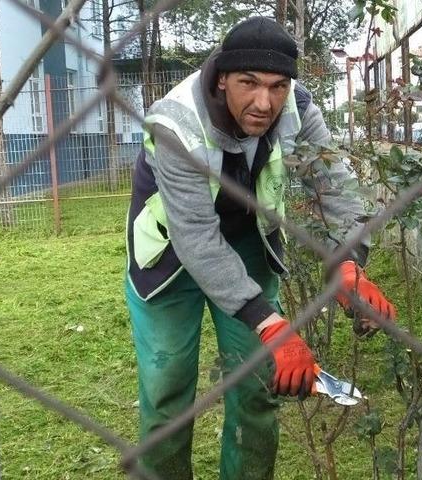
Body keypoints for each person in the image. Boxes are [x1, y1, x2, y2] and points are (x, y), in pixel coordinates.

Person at [124, 16, 396, 479]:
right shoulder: (176, 125)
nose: (264, 101)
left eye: (277, 86)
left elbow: (335, 188)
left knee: (256, 388)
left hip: (247, 244)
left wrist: (350, 263)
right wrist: (272, 326)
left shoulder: (300, 109)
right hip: (170, 257)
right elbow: (196, 236)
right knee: (167, 394)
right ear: (223, 77)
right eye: (249, 83)